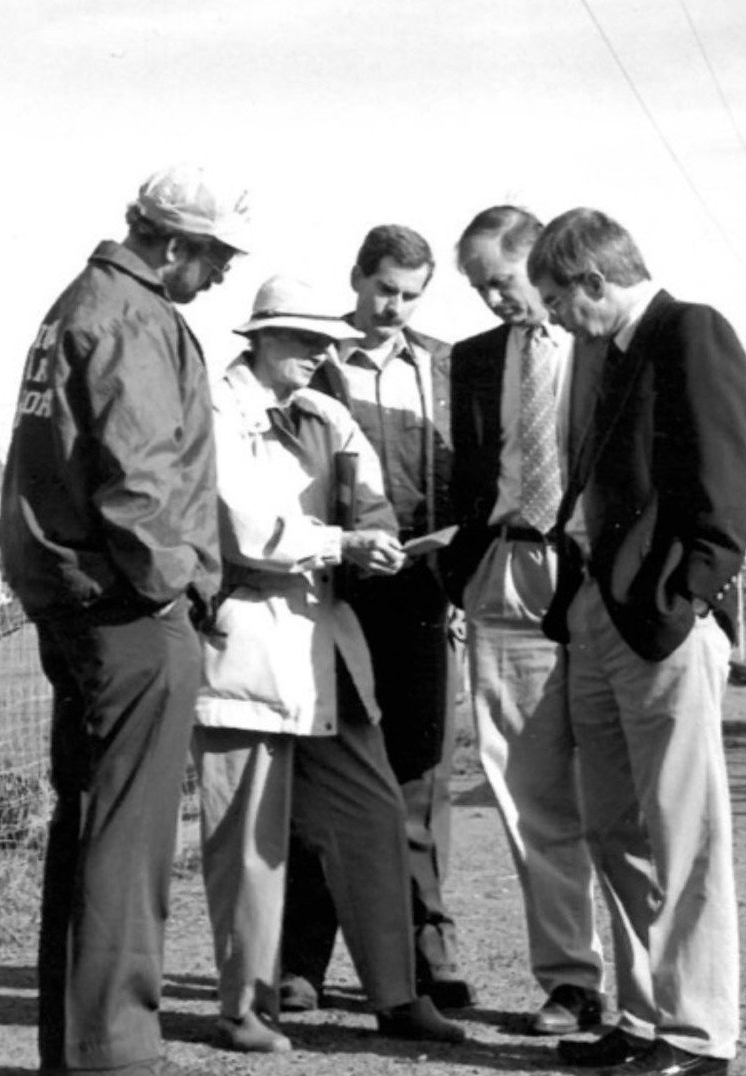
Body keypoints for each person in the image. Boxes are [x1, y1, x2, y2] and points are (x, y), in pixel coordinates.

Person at [0, 163, 247, 1076]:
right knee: (130, 838)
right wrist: (176, 588)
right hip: (127, 607)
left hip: (75, 598)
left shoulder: (77, 304)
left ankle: (83, 1049)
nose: (220, 273)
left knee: (94, 820)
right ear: (173, 242)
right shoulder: (136, 318)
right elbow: (140, 482)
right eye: (214, 253)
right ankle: (117, 1054)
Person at [192, 275, 467, 1054]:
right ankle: (243, 1007)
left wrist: (370, 542)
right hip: (246, 640)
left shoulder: (326, 413)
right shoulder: (217, 409)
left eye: (326, 344)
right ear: (261, 336)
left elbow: (368, 498)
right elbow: (244, 527)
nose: (319, 356)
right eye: (304, 341)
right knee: (247, 838)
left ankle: (397, 995)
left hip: (327, 647)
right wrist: (340, 540)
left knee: (374, 820)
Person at [528, 208, 746, 1076]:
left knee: (684, 829)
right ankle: (643, 1016)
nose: (552, 316)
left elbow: (725, 482)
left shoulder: (687, 331)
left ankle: (700, 1038)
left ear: (592, 280)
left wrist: (686, 600)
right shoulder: (601, 353)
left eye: (557, 298)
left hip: (659, 620)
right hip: (594, 612)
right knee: (612, 826)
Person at [280, 224, 474, 1011]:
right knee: (323, 767)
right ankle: (301, 960)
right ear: (357, 279)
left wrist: (456, 568)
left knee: (420, 774)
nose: (393, 308)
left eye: (410, 295)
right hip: (337, 592)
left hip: (423, 592)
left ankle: (429, 948)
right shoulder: (313, 364)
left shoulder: (447, 366)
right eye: (383, 290)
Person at [442, 205, 606, 1035]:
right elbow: (468, 474)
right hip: (505, 576)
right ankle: (571, 979)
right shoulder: (471, 361)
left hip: (596, 576)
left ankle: (651, 991)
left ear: (537, 260)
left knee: (617, 785)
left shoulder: (603, 341)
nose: (492, 301)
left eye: (499, 281)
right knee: (527, 791)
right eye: (477, 289)